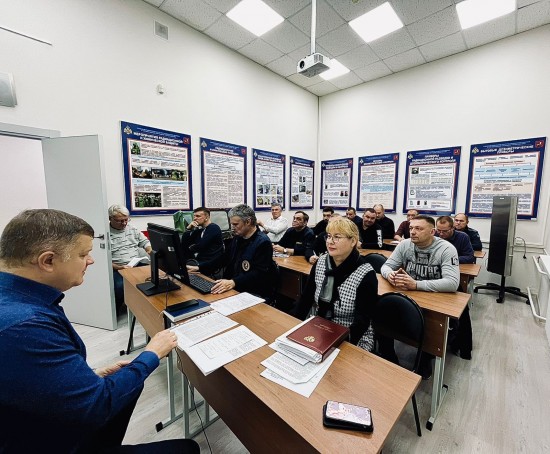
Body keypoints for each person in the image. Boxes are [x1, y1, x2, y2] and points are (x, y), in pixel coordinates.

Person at [0, 209, 198, 453]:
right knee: (187, 448)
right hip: (50, 440)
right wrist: (151, 354)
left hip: (35, 427)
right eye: (84, 254)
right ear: (48, 260)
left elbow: (31, 380)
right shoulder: (24, 326)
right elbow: (98, 406)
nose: (91, 261)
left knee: (130, 385)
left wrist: (87, 375)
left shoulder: (16, 304)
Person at [380, 215, 460, 377]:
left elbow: (452, 283)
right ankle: (388, 357)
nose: (413, 232)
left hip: (435, 298)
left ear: (432, 232)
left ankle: (425, 359)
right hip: (409, 294)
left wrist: (416, 284)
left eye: (419, 228)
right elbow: (386, 266)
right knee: (380, 312)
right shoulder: (404, 245)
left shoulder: (446, 249)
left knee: (433, 332)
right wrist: (391, 275)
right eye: (411, 228)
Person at [294, 217, 378, 352]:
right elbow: (306, 298)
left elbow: (362, 322)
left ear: (353, 241)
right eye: (329, 236)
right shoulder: (321, 262)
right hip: (318, 325)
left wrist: (335, 343)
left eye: (337, 237)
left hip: (349, 333)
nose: (330, 241)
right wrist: (294, 326)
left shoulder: (366, 273)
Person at [211, 204, 275, 299]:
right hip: (234, 286)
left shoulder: (263, 242)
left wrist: (233, 282)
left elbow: (258, 273)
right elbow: (224, 258)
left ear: (248, 221)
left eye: (236, 224)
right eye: (232, 224)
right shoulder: (238, 238)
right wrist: (200, 267)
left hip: (251, 291)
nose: (232, 227)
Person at [436, 215, 474, 360]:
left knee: (462, 312)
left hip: (453, 277)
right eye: (438, 230)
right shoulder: (435, 237)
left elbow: (469, 257)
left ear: (453, 228)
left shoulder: (462, 237)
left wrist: (449, 259)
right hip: (437, 278)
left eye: (444, 231)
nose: (441, 234)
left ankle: (465, 349)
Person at [109, 204, 151, 313]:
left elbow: (145, 242)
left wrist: (150, 251)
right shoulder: (105, 233)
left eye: (126, 220)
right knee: (119, 287)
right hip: (117, 268)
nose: (124, 223)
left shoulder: (132, 229)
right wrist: (119, 267)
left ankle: (146, 308)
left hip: (136, 264)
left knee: (156, 276)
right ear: (110, 219)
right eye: (120, 221)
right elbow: (103, 260)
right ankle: (115, 313)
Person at [182, 206, 224, 277]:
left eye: (198, 216)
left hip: (208, 262)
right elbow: (185, 242)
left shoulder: (214, 228)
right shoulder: (200, 230)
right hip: (200, 259)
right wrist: (189, 229)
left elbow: (201, 246)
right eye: (194, 216)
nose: (195, 218)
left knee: (185, 270)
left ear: (206, 217)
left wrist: (189, 248)